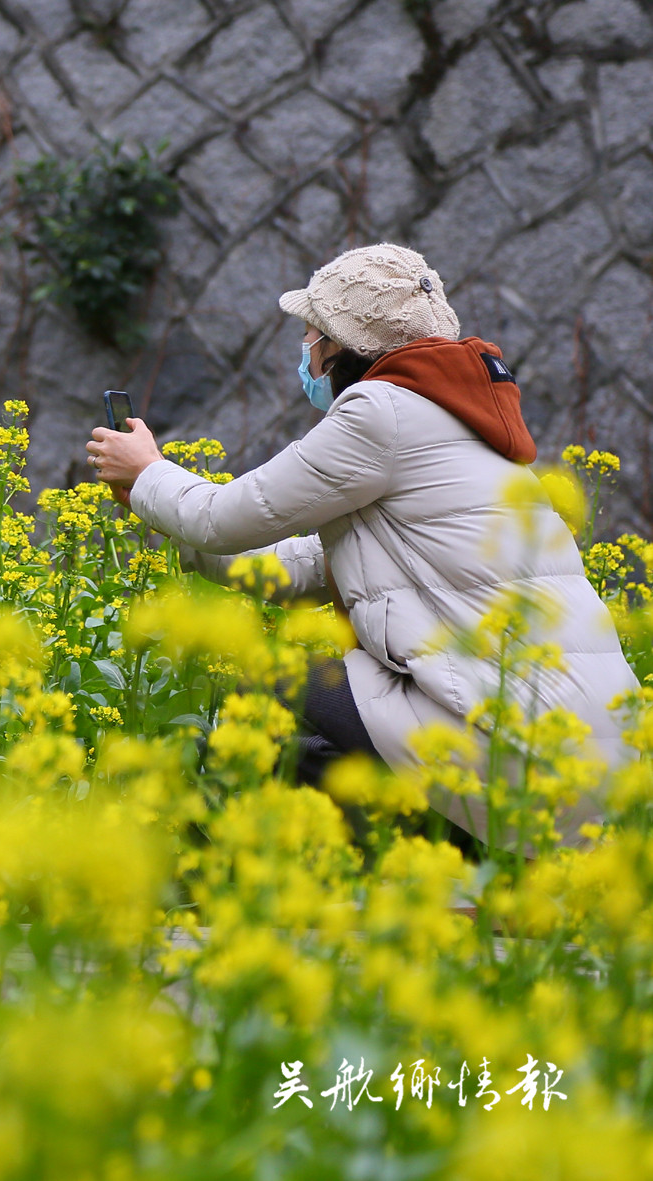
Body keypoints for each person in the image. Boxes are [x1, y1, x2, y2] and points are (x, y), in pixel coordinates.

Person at [85, 243, 638, 847]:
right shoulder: (467, 425)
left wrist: (148, 473)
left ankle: (188, 863)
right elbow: (283, 571)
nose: (305, 352)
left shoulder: (383, 412)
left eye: (310, 334)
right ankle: (427, 859)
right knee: (311, 742)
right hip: (591, 756)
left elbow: (224, 517)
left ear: (341, 344)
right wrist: (158, 511)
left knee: (270, 686)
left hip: (513, 740)